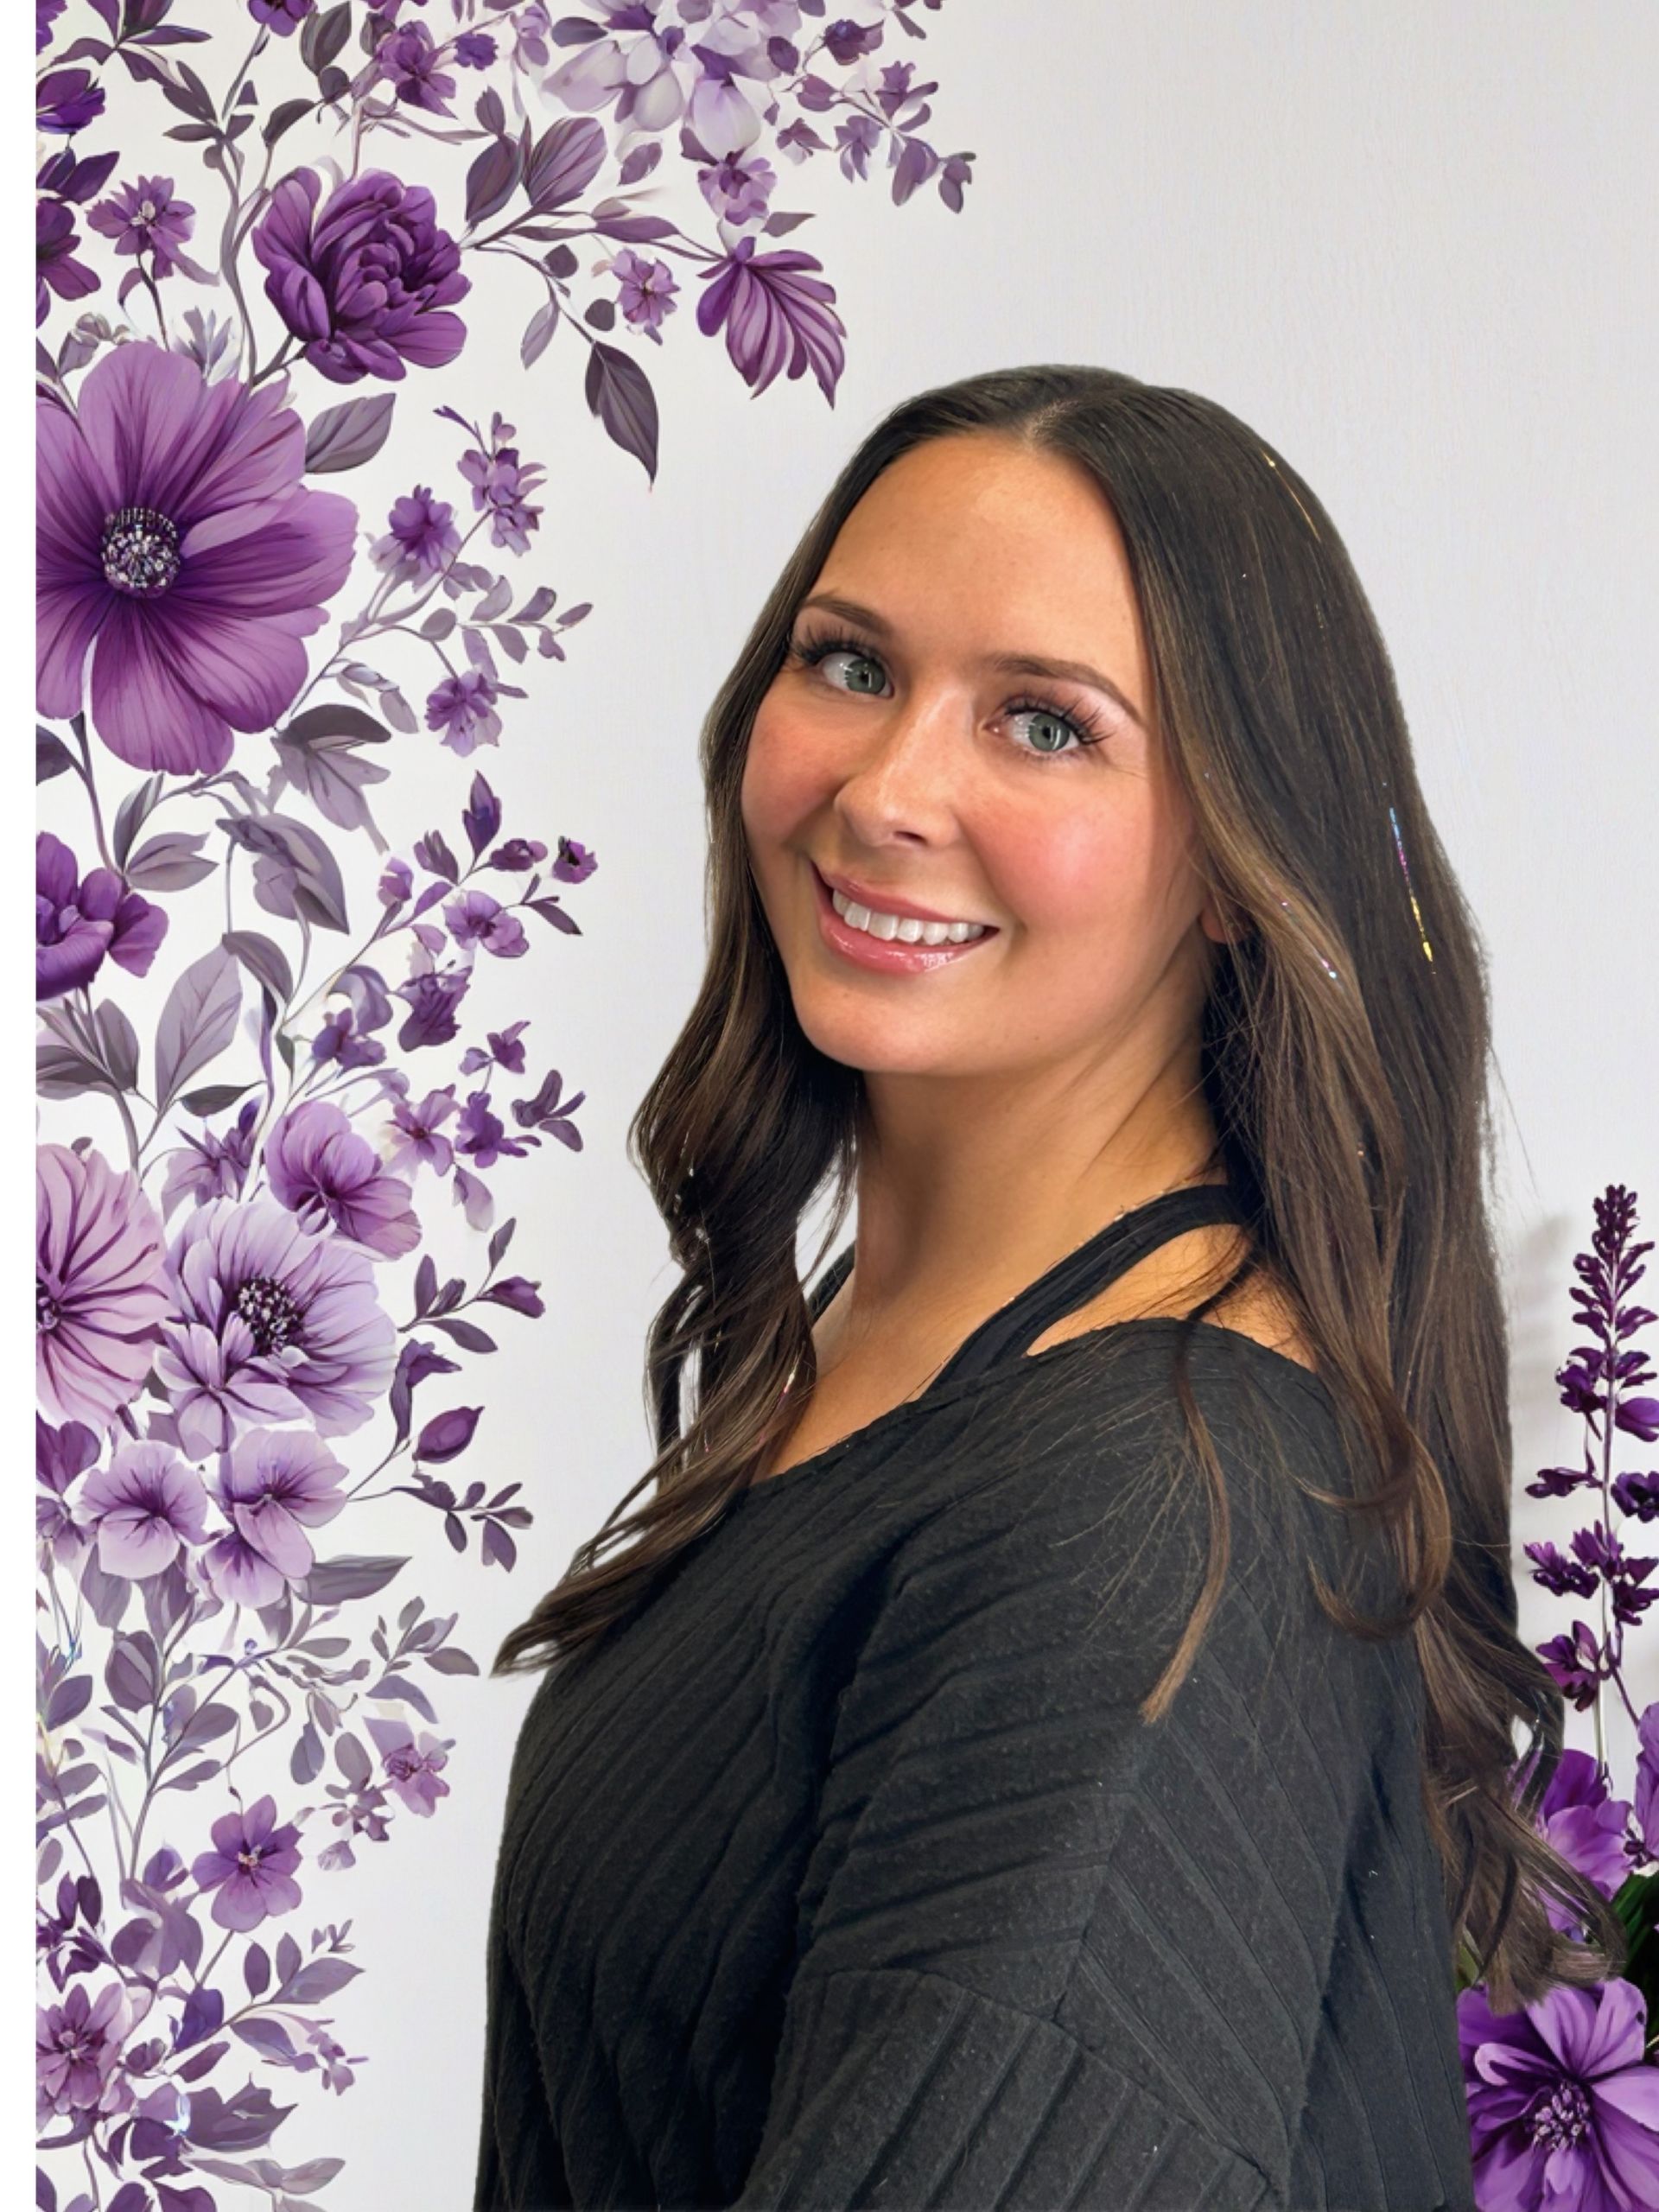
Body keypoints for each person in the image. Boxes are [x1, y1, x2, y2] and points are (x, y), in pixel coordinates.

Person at [472, 366, 1624, 2210]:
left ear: (1243, 866)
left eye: (1045, 723)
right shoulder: (887, 1355)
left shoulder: (1158, 1503)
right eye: (850, 661)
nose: (887, 785)